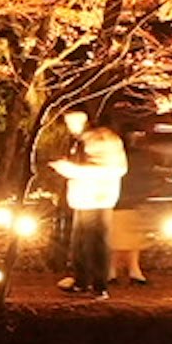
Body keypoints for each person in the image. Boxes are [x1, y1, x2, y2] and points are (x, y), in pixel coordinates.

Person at [49, 117, 130, 295]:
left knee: (97, 243)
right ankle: (81, 282)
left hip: (98, 198)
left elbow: (114, 169)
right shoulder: (83, 140)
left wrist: (71, 170)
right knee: (79, 244)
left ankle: (99, 286)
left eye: (74, 120)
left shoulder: (103, 139)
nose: (71, 126)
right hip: (83, 198)